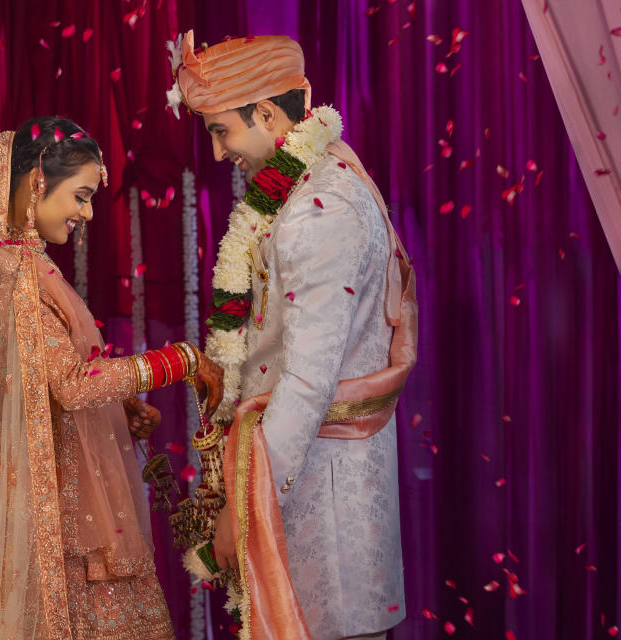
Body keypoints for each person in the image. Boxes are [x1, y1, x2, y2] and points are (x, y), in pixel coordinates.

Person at [0, 116, 223, 639]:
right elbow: (71, 384)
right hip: (52, 498)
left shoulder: (22, 264)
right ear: (38, 180)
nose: (88, 213)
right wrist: (178, 361)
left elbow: (49, 382)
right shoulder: (18, 273)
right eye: (82, 195)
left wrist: (119, 406)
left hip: (65, 479)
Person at [168, 32, 418, 639]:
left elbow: (308, 381)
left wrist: (242, 510)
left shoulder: (319, 210)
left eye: (221, 129)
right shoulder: (319, 183)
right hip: (320, 486)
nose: (219, 149)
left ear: (268, 114)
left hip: (325, 504)